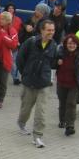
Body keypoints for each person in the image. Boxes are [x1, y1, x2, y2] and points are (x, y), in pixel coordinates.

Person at [16, 20, 57, 148]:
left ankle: (37, 136)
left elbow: (53, 63)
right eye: (49, 30)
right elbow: (20, 58)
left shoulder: (54, 45)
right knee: (26, 109)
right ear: (42, 30)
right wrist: (25, 73)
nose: (51, 32)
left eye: (53, 30)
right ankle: (21, 123)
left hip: (44, 84)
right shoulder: (31, 42)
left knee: (41, 111)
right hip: (29, 82)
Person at [55, 34, 79, 136]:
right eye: (69, 43)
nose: (71, 45)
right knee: (63, 103)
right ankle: (62, 120)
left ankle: (70, 126)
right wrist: (57, 62)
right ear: (65, 44)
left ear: (77, 44)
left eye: (74, 44)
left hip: (74, 84)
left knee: (71, 103)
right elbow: (52, 64)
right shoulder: (60, 53)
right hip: (61, 82)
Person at [0, 3, 23, 85]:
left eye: (12, 8)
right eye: (9, 8)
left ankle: (16, 78)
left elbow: (21, 32)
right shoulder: (1, 18)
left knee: (14, 61)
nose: (11, 9)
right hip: (3, 43)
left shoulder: (18, 20)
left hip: (14, 43)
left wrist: (18, 41)